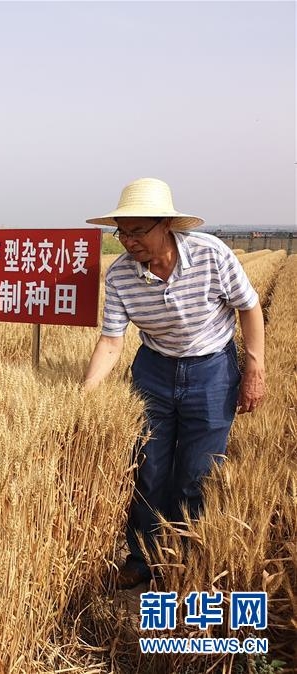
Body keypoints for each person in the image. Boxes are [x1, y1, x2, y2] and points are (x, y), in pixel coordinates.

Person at [81, 177, 266, 590]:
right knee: (149, 468)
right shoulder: (120, 277)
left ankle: (182, 559)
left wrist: (254, 370)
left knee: (196, 472)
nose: (128, 242)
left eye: (138, 231)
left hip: (212, 369)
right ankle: (142, 556)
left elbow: (249, 308)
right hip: (154, 369)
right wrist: (84, 399)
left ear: (167, 224)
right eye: (122, 232)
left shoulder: (210, 254)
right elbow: (112, 342)